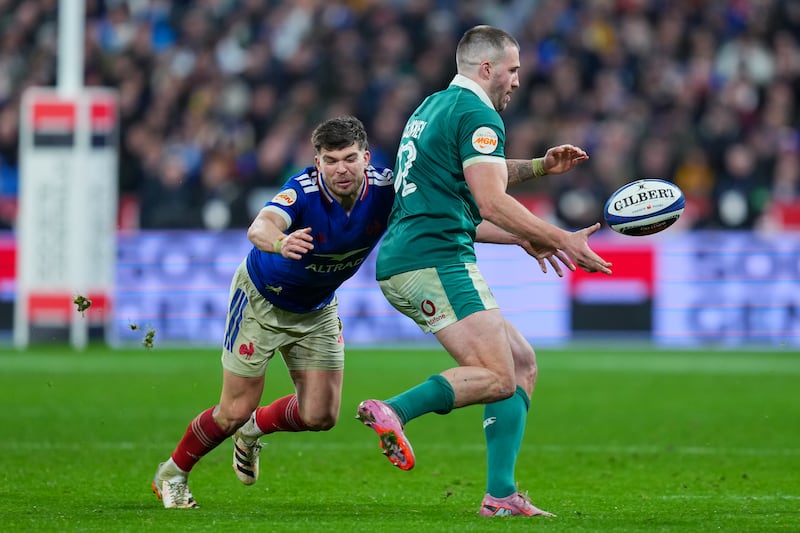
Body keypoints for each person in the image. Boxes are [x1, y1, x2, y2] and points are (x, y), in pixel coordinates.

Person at [356, 25, 613, 518]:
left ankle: (500, 495)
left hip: (414, 256)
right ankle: (396, 411)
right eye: (513, 70)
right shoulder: (478, 113)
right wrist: (561, 238)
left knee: (521, 365)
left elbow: (475, 177)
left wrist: (538, 170)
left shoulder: (432, 107)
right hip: (435, 260)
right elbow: (491, 199)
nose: (518, 81)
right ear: (488, 68)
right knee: (498, 377)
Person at [151, 115, 397, 508]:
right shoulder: (302, 190)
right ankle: (173, 472)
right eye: (330, 160)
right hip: (261, 301)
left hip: (316, 310)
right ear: (317, 163)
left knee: (321, 415)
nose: (341, 169)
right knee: (231, 410)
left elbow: (447, 204)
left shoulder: (388, 189)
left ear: (366, 157)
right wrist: (281, 242)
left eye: (349, 158)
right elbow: (259, 227)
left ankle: (253, 430)